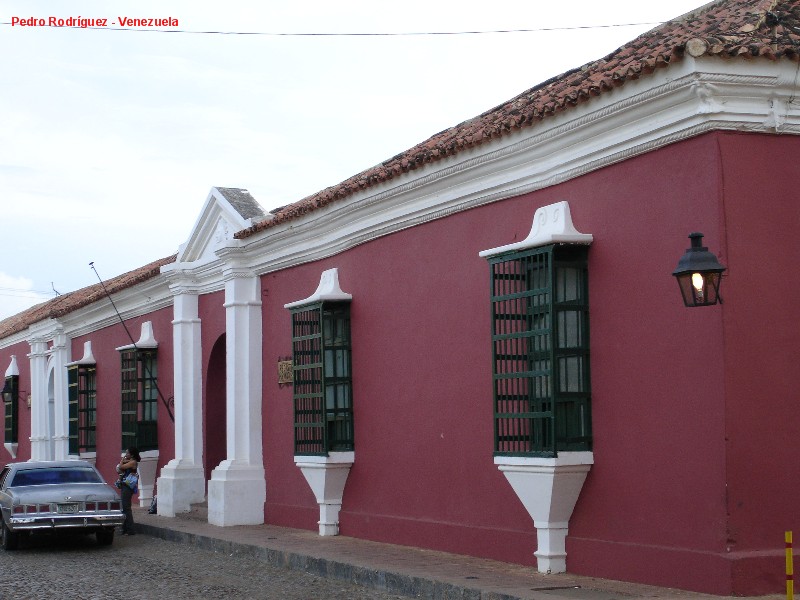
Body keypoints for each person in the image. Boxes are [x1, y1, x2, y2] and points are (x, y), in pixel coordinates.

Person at [117, 447, 141, 535]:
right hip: (124, 484)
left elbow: (121, 466)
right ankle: (125, 528)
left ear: (132, 454)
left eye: (127, 453)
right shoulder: (129, 461)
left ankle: (130, 529)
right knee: (123, 507)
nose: (125, 455)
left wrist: (122, 460)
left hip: (128, 486)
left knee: (126, 507)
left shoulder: (133, 462)